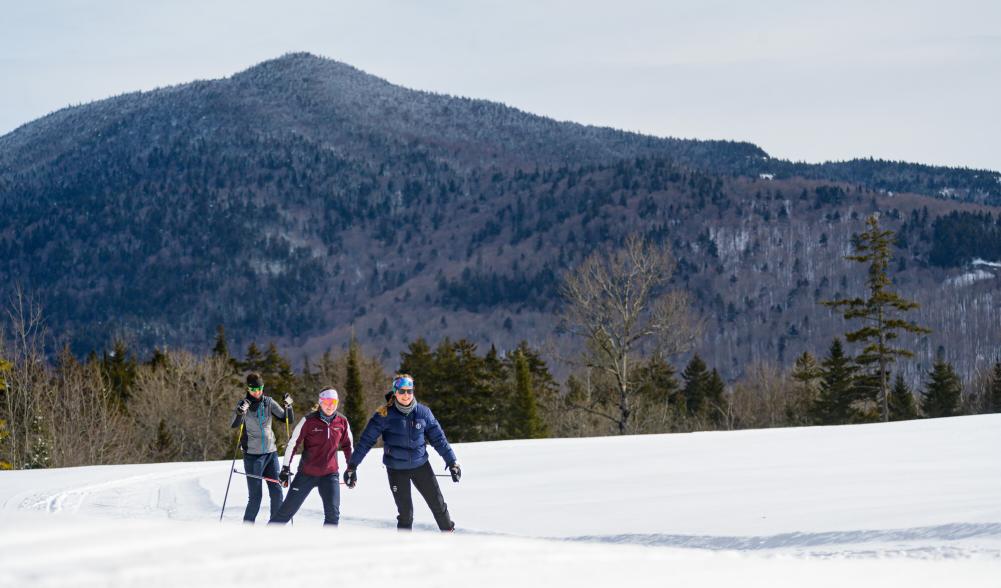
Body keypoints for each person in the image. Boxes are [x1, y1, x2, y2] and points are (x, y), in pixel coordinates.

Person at [345, 374, 461, 532]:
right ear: (395, 392)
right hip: (396, 469)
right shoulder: (383, 415)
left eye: (409, 391)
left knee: (438, 505)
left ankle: (449, 537)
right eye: (401, 391)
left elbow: (439, 439)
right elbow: (366, 441)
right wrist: (352, 466)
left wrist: (452, 462)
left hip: (421, 466)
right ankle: (403, 548)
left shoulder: (423, 413)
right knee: (406, 514)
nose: (406, 395)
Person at [269, 388, 353, 526]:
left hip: (329, 475)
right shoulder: (308, 421)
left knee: (333, 516)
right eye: (327, 401)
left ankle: (326, 546)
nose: (330, 405)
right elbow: (293, 444)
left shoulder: (342, 422)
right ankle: (262, 540)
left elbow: (348, 446)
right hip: (306, 474)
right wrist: (285, 468)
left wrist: (351, 469)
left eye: (334, 402)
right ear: (320, 402)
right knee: (285, 513)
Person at [230, 372, 294, 523]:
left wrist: (289, 405)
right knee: (255, 498)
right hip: (253, 457)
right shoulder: (244, 404)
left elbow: (287, 419)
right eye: (253, 390)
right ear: (248, 389)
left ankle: (275, 528)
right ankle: (247, 530)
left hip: (271, 454)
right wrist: (239, 413)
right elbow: (234, 424)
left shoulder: (268, 402)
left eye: (260, 389)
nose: (257, 392)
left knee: (277, 493)